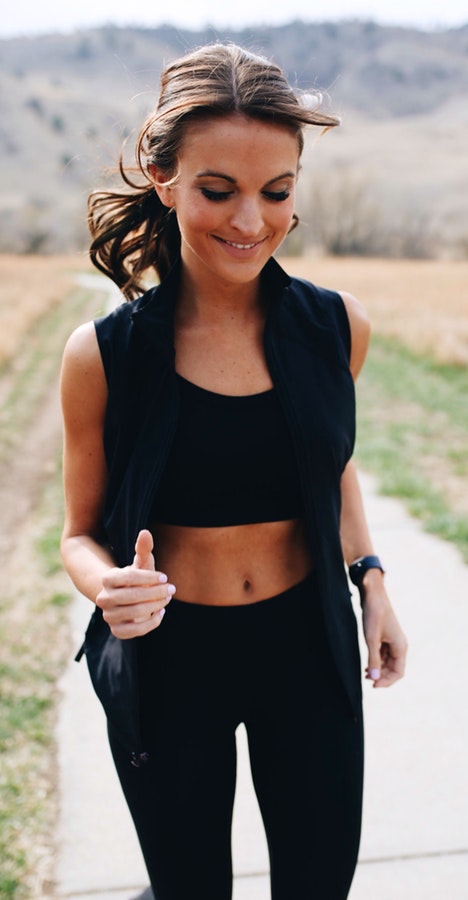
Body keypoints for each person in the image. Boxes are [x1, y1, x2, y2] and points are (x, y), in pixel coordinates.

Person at [60, 42, 407, 900]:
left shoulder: (337, 328)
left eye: (277, 192)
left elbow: (332, 468)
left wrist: (372, 581)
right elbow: (77, 532)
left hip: (305, 646)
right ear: (163, 176)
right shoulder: (104, 356)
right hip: (171, 662)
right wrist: (108, 588)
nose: (250, 220)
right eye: (219, 191)